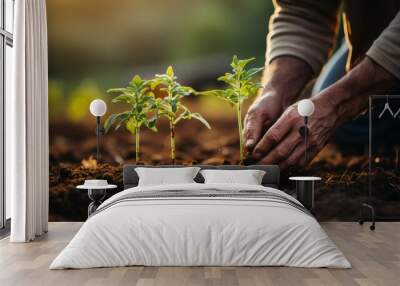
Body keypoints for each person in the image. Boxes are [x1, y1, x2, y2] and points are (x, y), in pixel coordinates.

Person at [243, 0, 400, 169]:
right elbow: (303, 11)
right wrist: (275, 90)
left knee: (350, 119)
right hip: (382, 29)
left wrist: (336, 106)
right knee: (345, 126)